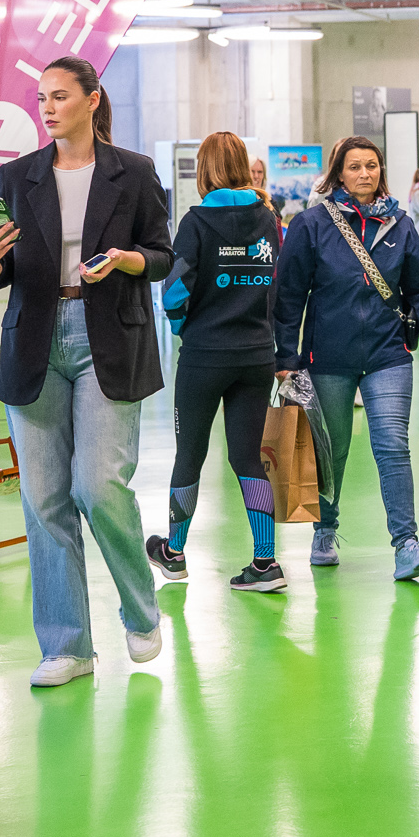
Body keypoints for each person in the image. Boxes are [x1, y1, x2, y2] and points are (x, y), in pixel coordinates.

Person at [0, 55, 172, 687]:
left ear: (92, 99)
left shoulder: (133, 172)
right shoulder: (18, 176)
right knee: (43, 499)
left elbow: (162, 256)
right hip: (34, 339)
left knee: (97, 486)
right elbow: (2, 270)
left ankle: (140, 610)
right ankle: (67, 646)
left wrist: (126, 260)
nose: (48, 108)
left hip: (105, 335)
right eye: (42, 99)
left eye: (60, 96)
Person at [274, 136, 419, 580]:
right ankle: (325, 529)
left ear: (381, 171)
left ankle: (406, 545)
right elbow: (289, 295)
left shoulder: (400, 224)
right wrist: (286, 356)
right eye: (354, 166)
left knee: (393, 446)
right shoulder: (312, 224)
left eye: (371, 165)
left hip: (388, 354)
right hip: (327, 358)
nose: (364, 173)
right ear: (339, 173)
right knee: (332, 449)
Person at [147, 131, 286, 594]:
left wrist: (183, 328)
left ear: (204, 170)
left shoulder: (196, 222)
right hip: (257, 355)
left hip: (205, 357)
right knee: (248, 456)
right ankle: (265, 562)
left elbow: (174, 291)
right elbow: (275, 285)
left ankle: (174, 553)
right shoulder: (268, 219)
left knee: (190, 453)